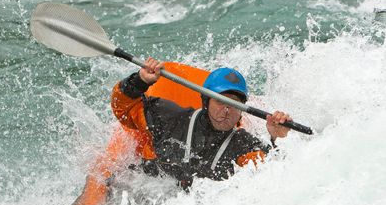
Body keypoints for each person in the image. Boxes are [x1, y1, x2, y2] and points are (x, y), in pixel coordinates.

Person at [111, 58, 292, 189]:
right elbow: (124, 109)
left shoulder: (244, 145)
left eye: (234, 104)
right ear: (206, 102)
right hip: (148, 189)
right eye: (220, 101)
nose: (227, 110)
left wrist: (278, 139)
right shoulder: (170, 118)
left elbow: (271, 179)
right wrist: (139, 81)